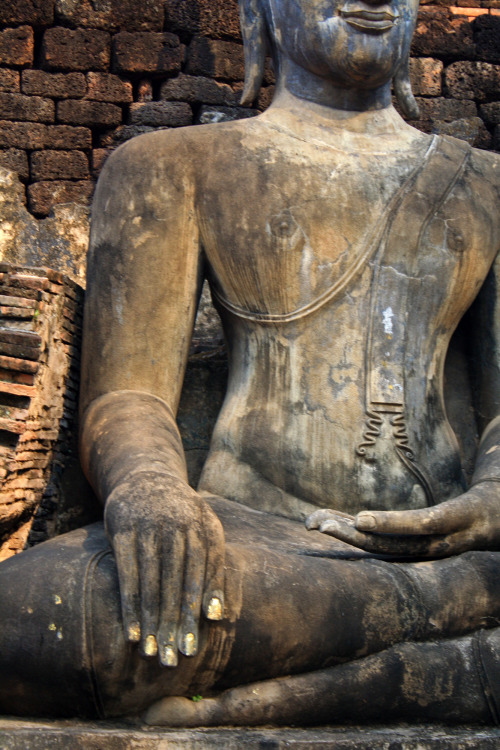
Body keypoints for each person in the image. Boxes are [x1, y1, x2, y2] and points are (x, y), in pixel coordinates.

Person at [1, 0, 500, 724]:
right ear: (259, 14)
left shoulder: (485, 184)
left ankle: (367, 647)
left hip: (445, 543)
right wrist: (149, 490)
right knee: (44, 616)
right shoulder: (171, 167)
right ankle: (445, 629)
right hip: (253, 543)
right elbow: (129, 395)